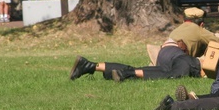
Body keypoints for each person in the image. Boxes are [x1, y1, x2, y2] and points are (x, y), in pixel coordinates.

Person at [68, 39, 200, 82]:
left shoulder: (168, 51)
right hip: (178, 55)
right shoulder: (185, 55)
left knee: (153, 72)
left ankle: (89, 65)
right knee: (173, 75)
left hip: (163, 55)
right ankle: (128, 74)